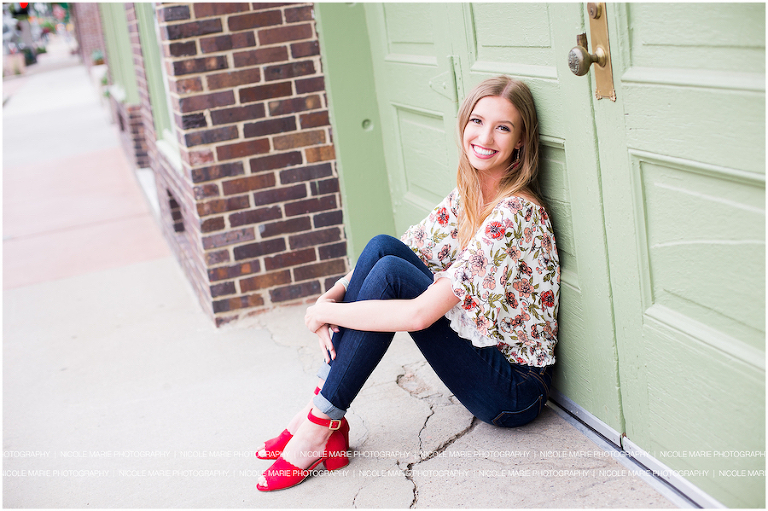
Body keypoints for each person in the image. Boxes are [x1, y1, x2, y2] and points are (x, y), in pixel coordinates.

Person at [256, 75, 560, 492]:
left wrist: (327, 313)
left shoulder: (515, 213)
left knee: (391, 276)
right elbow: (402, 248)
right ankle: (325, 417)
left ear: (520, 141)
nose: (485, 137)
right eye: (477, 121)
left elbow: (418, 315)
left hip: (514, 391)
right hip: (485, 358)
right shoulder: (469, 195)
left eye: (502, 128)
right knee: (383, 248)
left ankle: (317, 424)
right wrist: (329, 296)